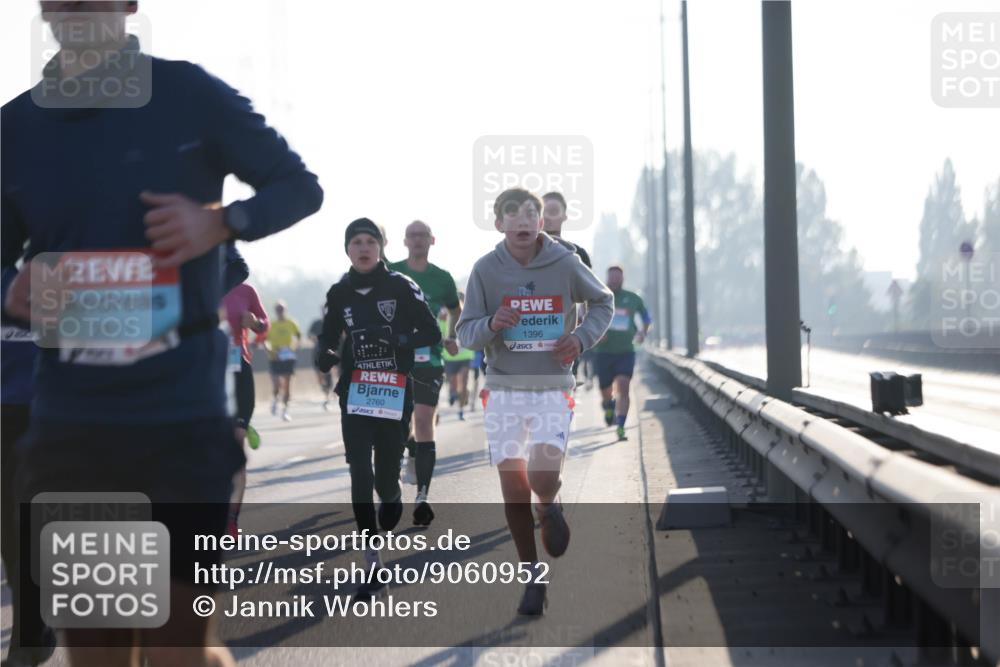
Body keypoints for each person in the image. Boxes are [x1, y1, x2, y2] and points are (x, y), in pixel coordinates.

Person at [1, 3, 323, 664]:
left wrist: (223, 221)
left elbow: (298, 186)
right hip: (73, 424)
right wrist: (11, 287)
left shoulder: (188, 94)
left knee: (177, 645)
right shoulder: (15, 127)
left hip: (181, 419)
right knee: (99, 651)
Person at [457, 188, 612, 616]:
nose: (522, 220)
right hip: (503, 388)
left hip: (551, 386)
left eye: (530, 213)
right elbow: (466, 332)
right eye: (512, 214)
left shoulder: (565, 263)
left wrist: (580, 338)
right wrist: (492, 323)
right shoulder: (485, 270)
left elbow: (603, 302)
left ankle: (548, 503)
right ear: (499, 224)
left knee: (541, 477)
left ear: (542, 223)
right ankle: (532, 577)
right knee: (513, 490)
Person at [315, 219, 440, 597]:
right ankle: (372, 564)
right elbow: (328, 336)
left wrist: (400, 340)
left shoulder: (402, 286)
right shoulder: (339, 292)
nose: (364, 247)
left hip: (393, 392)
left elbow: (431, 332)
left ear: (381, 247)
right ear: (347, 249)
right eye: (356, 242)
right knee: (359, 471)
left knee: (384, 478)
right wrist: (326, 354)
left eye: (370, 241)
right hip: (355, 392)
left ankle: (393, 493)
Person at [387, 220, 461, 526]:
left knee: (423, 421)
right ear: (404, 241)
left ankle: (422, 497)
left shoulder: (442, 278)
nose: (417, 240)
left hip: (429, 360)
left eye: (422, 235)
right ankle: (411, 451)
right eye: (412, 235)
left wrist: (452, 335)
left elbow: (455, 310)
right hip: (394, 360)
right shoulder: (390, 271)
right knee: (400, 425)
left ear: (432, 240)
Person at [221, 278, 269, 535]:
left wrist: (255, 323)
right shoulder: (193, 279)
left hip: (238, 371)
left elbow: (264, 325)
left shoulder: (244, 288)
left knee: (235, 449)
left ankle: (231, 521)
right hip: (204, 376)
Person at [593, 266, 652, 441]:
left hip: (626, 351)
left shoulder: (633, 298)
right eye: (612, 277)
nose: (615, 280)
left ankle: (620, 426)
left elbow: (646, 317)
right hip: (603, 352)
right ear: (607, 278)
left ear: (623, 279)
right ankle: (608, 405)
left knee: (624, 387)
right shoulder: (597, 296)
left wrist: (643, 332)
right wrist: (596, 333)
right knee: (605, 389)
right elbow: (582, 315)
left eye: (618, 277)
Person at [266, 300, 301, 421]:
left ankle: (285, 410)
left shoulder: (291, 323)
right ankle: (275, 399)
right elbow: (265, 340)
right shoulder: (271, 324)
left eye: (282, 309)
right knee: (276, 385)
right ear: (275, 311)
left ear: (285, 310)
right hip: (275, 357)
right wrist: (269, 350)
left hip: (287, 356)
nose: (280, 312)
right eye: (278, 309)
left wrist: (294, 348)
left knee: (287, 385)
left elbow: (298, 336)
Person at [440, 299, 474, 421]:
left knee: (463, 383)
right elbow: (440, 337)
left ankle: (461, 410)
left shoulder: (466, 319)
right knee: (453, 386)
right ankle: (453, 394)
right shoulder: (443, 318)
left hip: (465, 356)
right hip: (449, 357)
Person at [308, 305, 334, 410]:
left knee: (327, 372)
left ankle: (327, 396)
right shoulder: (316, 323)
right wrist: (314, 338)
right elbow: (309, 335)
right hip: (317, 352)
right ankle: (324, 388)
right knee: (319, 374)